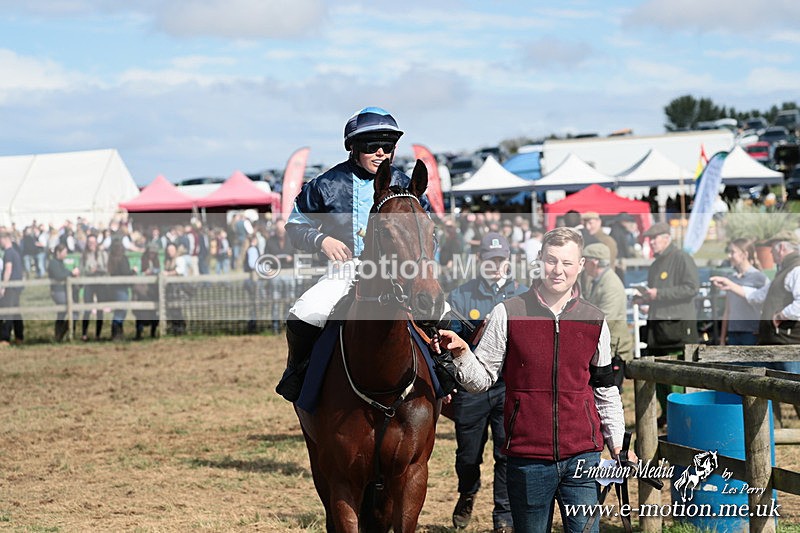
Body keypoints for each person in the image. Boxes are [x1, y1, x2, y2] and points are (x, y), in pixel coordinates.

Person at [436, 227, 630, 533]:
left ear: (580, 266)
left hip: (584, 455)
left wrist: (617, 443)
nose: (558, 270)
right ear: (539, 261)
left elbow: (605, 388)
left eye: (567, 263)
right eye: (551, 261)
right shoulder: (507, 313)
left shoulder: (594, 320)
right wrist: (461, 352)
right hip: (528, 458)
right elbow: (481, 379)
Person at [276, 106, 430, 402]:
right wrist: (321, 240)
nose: (382, 153)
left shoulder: (405, 183)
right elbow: (295, 224)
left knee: (442, 314)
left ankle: (445, 375)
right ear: (354, 148)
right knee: (303, 315)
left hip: (399, 272)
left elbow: (425, 222)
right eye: (373, 146)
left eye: (389, 146)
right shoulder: (325, 185)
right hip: (345, 271)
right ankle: (298, 372)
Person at [446, 232, 527, 532]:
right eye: (489, 259)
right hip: (471, 388)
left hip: (510, 387)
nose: (495, 265)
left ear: (508, 261)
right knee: (468, 455)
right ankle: (467, 492)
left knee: (506, 453)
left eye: (500, 259)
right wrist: (448, 386)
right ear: (479, 260)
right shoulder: (460, 296)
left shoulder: (524, 296)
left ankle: (503, 515)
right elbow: (448, 345)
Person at [634, 222, 699, 426]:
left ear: (667, 238)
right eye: (650, 239)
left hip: (677, 330)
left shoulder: (681, 257)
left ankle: (680, 415)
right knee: (659, 375)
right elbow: (658, 295)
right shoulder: (656, 264)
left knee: (676, 377)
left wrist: (659, 294)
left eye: (655, 238)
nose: (652, 242)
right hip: (658, 329)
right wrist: (646, 299)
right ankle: (667, 413)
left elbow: (691, 288)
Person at [710, 230, 800, 373]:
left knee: (793, 390)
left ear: (782, 248)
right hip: (778, 344)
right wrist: (730, 285)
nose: (770, 254)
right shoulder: (784, 271)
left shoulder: (796, 270)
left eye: (772, 249)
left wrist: (779, 316)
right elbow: (757, 296)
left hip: (789, 345)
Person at [582, 243, 634, 390]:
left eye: (585, 261)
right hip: (607, 347)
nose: (583, 265)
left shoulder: (610, 284)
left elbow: (606, 319)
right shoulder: (600, 282)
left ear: (594, 262)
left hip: (613, 350)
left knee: (610, 395)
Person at [714, 238, 768, 346]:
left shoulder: (759, 277)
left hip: (751, 333)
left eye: (732, 252)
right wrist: (722, 338)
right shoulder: (732, 278)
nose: (729, 256)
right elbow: (728, 311)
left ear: (744, 255)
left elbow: (766, 306)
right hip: (733, 333)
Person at [48, 243, 80, 341]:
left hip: (63, 291)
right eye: (64, 252)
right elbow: (59, 275)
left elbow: (64, 272)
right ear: (58, 252)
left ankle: (59, 334)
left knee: (61, 313)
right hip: (58, 292)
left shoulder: (60, 263)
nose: (66, 254)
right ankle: (62, 333)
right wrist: (71, 273)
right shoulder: (53, 263)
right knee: (73, 312)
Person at [79, 233, 109, 341]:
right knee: (87, 309)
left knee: (100, 309)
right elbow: (81, 270)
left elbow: (107, 269)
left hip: (100, 283)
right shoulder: (84, 255)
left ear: (96, 243)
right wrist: (89, 271)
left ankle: (98, 335)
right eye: (89, 242)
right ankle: (84, 334)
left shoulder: (102, 254)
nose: (92, 244)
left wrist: (98, 269)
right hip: (89, 283)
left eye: (93, 242)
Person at [0, 231, 25, 345]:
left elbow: (8, 269)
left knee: (7, 313)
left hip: (11, 287)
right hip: (17, 287)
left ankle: (5, 338)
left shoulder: (8, 253)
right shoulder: (16, 252)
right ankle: (19, 337)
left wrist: (3, 286)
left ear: (4, 239)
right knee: (16, 313)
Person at [107, 240, 134, 340]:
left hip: (113, 288)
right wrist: (133, 272)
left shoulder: (111, 259)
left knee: (119, 309)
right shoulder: (122, 259)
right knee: (122, 310)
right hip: (121, 287)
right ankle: (117, 333)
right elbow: (125, 273)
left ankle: (117, 332)